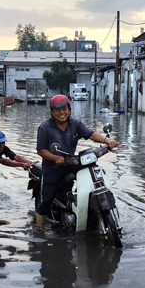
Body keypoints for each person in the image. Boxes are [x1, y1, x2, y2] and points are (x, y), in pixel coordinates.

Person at [35, 94, 117, 228]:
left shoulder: (75, 123)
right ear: (52, 112)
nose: (62, 112)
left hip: (70, 162)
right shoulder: (45, 127)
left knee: (92, 169)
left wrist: (107, 141)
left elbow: (91, 134)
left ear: (69, 109)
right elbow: (41, 150)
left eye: (64, 109)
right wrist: (56, 158)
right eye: (57, 110)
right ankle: (39, 230)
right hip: (53, 167)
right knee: (47, 199)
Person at [0, 130, 36, 200]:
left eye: (3, 143)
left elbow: (16, 157)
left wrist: (31, 163)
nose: (1, 146)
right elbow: (4, 161)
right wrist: (21, 165)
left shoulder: (3, 148)